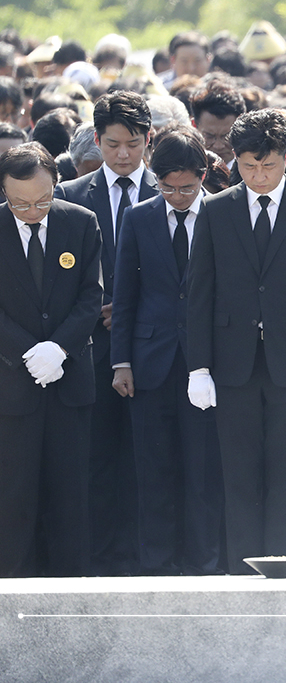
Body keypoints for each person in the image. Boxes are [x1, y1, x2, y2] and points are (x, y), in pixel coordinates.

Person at [186, 109, 286, 573]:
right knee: (239, 477)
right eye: (249, 166)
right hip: (233, 363)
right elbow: (199, 293)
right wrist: (199, 367)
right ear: (235, 161)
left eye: (268, 166)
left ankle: (283, 570)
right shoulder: (216, 209)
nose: (258, 176)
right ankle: (242, 572)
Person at [109, 126, 222, 575]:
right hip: (149, 361)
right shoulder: (138, 217)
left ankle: (204, 564)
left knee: (203, 470)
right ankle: (156, 565)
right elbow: (125, 292)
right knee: (153, 472)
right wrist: (121, 361)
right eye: (166, 187)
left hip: (205, 363)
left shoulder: (221, 214)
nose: (176, 196)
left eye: (186, 188)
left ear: (203, 176)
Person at [55, 90, 159, 575]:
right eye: (113, 144)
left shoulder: (171, 191)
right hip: (91, 350)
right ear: (97, 140)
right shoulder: (72, 197)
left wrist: (135, 311)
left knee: (150, 462)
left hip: (154, 350)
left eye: (133, 144)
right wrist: (98, 307)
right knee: (95, 463)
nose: (123, 155)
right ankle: (97, 562)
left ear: (148, 140)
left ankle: (145, 558)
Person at [0, 143, 102, 576]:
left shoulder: (80, 223)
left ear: (56, 184)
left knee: (71, 496)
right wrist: (27, 351)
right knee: (14, 496)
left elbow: (90, 294)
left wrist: (59, 348)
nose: (32, 210)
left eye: (42, 200)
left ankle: (71, 587)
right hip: (11, 384)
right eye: (20, 203)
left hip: (69, 380)